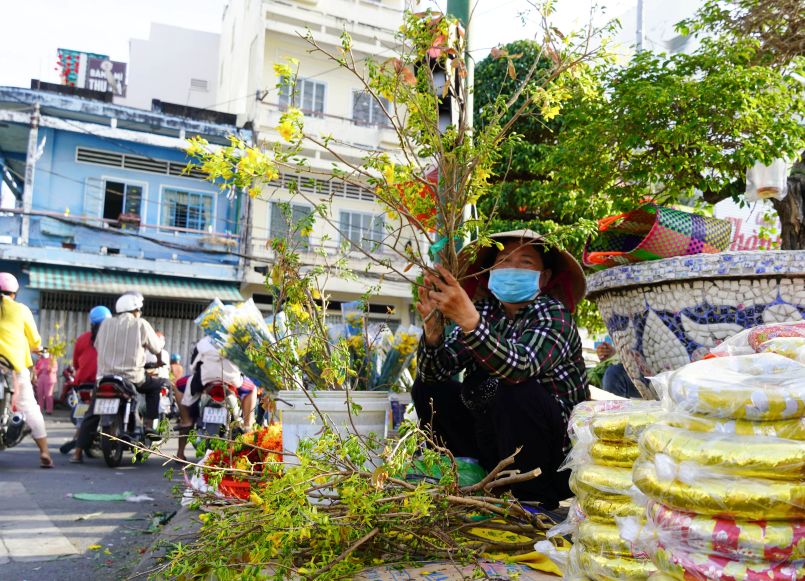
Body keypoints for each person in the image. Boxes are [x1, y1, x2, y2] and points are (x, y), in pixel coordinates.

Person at [413, 230, 589, 509]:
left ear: (543, 278)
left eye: (526, 262)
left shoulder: (554, 314)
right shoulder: (486, 311)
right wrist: (433, 335)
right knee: (430, 388)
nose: (512, 268)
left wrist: (470, 321)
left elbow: (519, 366)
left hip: (550, 459)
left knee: (515, 388)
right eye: (503, 260)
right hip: (495, 441)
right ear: (491, 272)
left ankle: (530, 496)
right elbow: (433, 372)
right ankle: (465, 476)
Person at [72, 292, 164, 463]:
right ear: (136, 310)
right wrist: (158, 361)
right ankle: (150, 425)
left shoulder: (106, 324)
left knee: (91, 414)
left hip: (104, 378)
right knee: (155, 386)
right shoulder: (141, 324)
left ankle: (77, 453)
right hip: (132, 377)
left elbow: (98, 345)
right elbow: (157, 347)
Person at [0, 273, 53, 468]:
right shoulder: (21, 310)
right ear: (14, 293)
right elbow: (34, 340)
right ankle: (45, 452)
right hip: (13, 365)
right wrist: (37, 348)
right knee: (30, 407)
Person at [59, 305, 112, 455]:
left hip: (82, 386)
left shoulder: (82, 338)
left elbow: (76, 364)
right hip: (103, 385)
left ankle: (79, 445)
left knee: (83, 414)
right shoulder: (111, 340)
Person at [34, 348, 58, 415]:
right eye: (43, 352)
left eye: (46, 352)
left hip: (49, 379)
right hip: (41, 378)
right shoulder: (41, 360)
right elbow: (36, 369)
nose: (44, 353)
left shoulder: (52, 360)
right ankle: (40, 409)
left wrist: (50, 369)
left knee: (48, 395)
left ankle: (49, 410)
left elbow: (55, 369)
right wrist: (39, 370)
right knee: (40, 394)